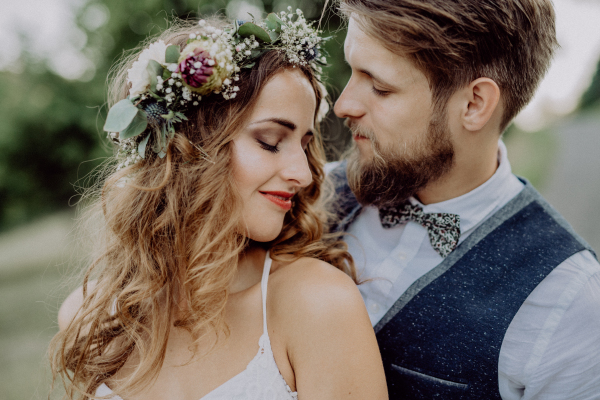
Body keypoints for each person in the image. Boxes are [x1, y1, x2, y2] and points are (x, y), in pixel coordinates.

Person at [50, 12, 387, 400]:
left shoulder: (316, 304)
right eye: (271, 141)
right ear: (190, 148)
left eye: (305, 145)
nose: (304, 174)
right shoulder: (88, 318)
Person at [327, 0, 600, 399]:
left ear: (474, 105)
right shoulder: (308, 192)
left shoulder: (567, 300)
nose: (343, 105)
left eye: (380, 87)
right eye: (353, 72)